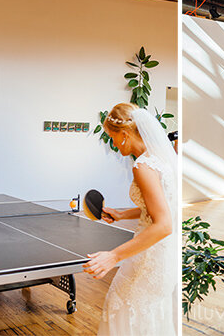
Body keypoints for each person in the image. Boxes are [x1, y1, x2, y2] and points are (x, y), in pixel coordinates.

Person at [82, 103, 179, 336]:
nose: (113, 145)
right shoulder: (163, 158)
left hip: (148, 257)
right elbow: (166, 207)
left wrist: (113, 256)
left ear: (124, 135)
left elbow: (164, 225)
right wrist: (123, 214)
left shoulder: (142, 166)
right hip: (165, 257)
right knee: (149, 315)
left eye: (112, 138)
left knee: (124, 309)